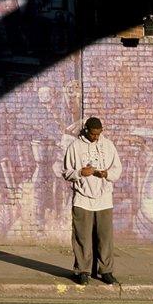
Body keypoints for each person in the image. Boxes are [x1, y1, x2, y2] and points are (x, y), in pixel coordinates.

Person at [63, 117, 122, 285]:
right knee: (82, 237)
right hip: (82, 198)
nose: (96, 137)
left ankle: (106, 271)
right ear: (87, 130)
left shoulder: (108, 146)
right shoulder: (75, 146)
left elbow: (117, 169)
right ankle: (83, 270)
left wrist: (107, 174)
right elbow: (66, 172)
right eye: (93, 134)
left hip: (104, 198)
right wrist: (81, 172)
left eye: (99, 134)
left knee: (105, 237)